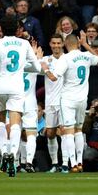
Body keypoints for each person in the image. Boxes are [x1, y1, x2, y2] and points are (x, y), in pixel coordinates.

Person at [0, 17, 41, 177]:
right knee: (15, 122)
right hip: (16, 88)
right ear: (17, 29)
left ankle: (5, 151)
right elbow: (37, 66)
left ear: (2, 29)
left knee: (0, 120)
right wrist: (26, 67)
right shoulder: (24, 44)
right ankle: (12, 152)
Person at [41, 34, 98, 173]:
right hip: (82, 99)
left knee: (68, 132)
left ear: (65, 45)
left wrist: (45, 68)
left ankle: (72, 163)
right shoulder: (86, 56)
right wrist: (85, 44)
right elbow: (97, 59)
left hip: (68, 100)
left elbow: (54, 77)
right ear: (78, 43)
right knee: (78, 130)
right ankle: (80, 163)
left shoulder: (65, 58)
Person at [40, 34, 64, 173]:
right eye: (53, 43)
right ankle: (55, 164)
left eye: (58, 43)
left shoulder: (67, 59)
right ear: (50, 44)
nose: (56, 46)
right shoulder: (45, 60)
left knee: (65, 132)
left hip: (63, 101)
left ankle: (67, 163)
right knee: (50, 133)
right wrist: (36, 57)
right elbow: (33, 68)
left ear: (63, 44)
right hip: (49, 102)